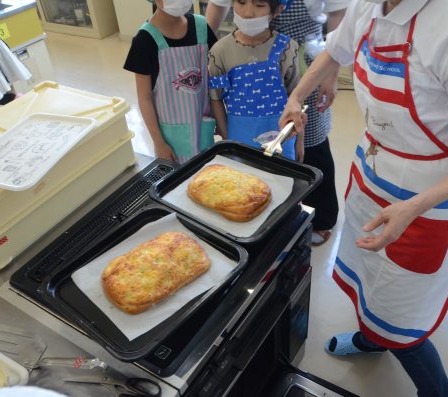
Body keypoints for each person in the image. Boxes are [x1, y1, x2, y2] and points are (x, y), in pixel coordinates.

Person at [280, 0, 448, 396]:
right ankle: (373, 338)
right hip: (372, 175)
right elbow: (334, 51)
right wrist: (296, 96)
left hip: (425, 198)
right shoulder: (368, 6)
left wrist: (415, 206)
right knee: (369, 278)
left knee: (401, 316)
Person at [207, 0, 350, 245]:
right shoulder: (224, 50)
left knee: (310, 142)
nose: (249, 10)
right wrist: (207, 50)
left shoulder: (288, 49)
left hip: (307, 58)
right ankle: (259, 213)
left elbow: (338, 14)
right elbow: (216, 10)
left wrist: (331, 72)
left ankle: (320, 217)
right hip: (243, 56)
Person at [124, 0, 219, 163]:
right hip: (171, 141)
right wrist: (159, 143)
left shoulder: (201, 27)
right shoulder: (145, 40)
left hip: (203, 128)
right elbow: (144, 98)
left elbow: (216, 81)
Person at [207, 0, 302, 161]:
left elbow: (296, 98)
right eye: (241, 2)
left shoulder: (286, 48)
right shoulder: (220, 51)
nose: (248, 13)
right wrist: (226, 137)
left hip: (281, 137)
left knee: (282, 180)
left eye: (259, 5)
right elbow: (215, 98)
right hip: (238, 137)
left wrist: (299, 141)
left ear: (277, 9)